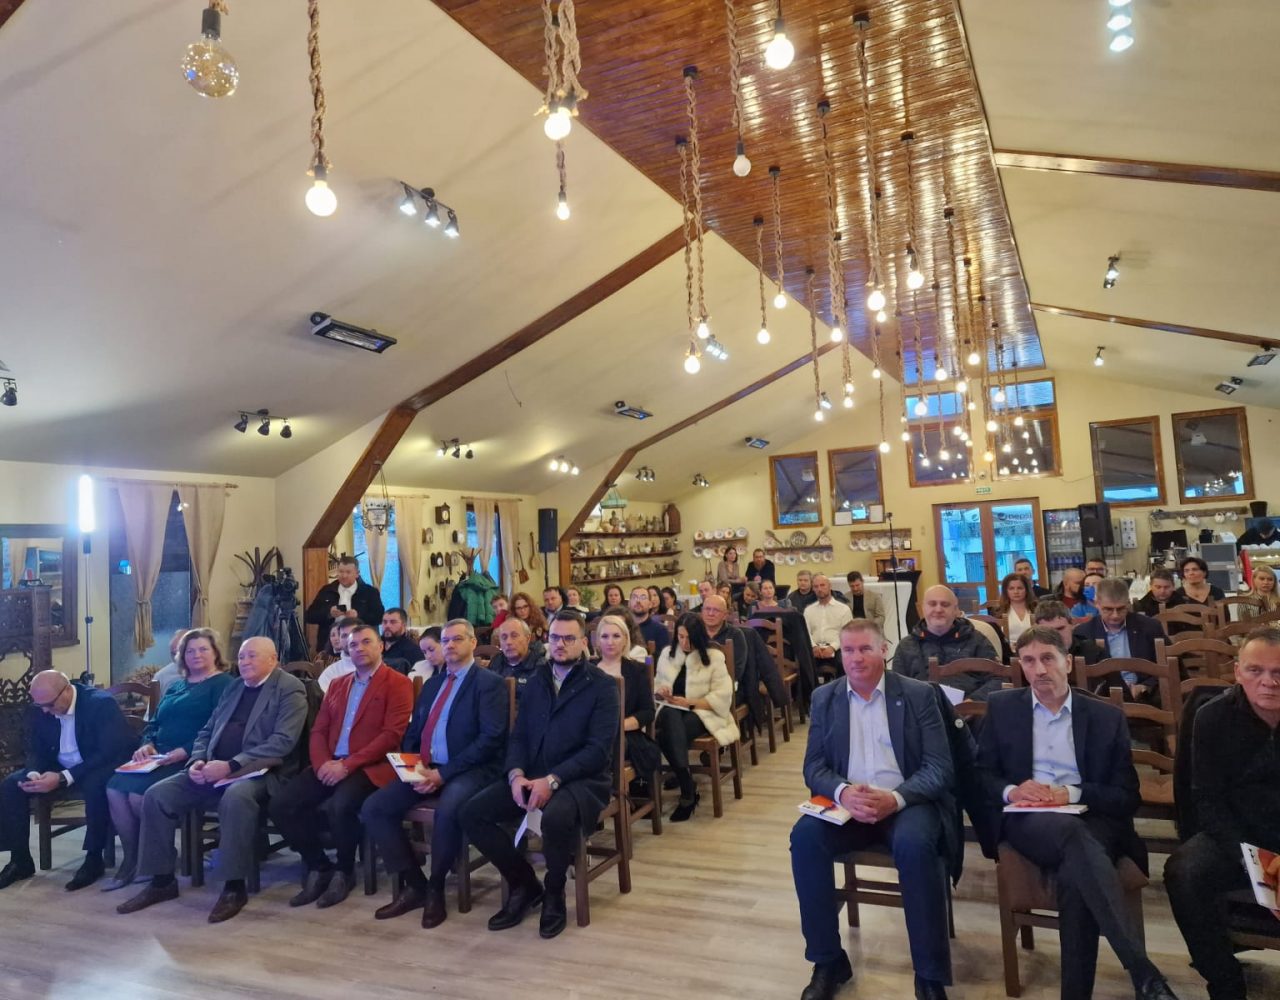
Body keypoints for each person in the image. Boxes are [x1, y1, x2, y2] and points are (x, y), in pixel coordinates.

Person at [976, 628, 1178, 1000]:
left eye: (1047, 658)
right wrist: (1013, 790)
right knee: (1071, 835)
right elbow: (982, 775)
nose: (1039, 669)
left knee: (1075, 873)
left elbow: (1126, 796)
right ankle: (1144, 973)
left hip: (1094, 818)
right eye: (1029, 661)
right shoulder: (1003, 708)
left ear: (1067, 662)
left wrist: (1071, 793)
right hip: (1030, 818)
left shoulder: (1105, 717)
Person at [791, 619, 958, 1000]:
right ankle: (828, 961)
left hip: (906, 801)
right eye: (848, 650)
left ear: (884, 650)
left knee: (916, 846)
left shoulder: (918, 695)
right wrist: (843, 792)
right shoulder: (825, 697)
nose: (856, 658)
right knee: (804, 839)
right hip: (848, 804)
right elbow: (813, 767)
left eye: (865, 648)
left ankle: (929, 975)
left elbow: (939, 767)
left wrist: (895, 798)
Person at [117, 637, 307, 923]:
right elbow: (207, 731)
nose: (244, 662)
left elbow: (282, 742)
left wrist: (231, 765)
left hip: (261, 772)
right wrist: (197, 760)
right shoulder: (235, 687)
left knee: (236, 797)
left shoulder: (289, 687)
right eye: (241, 657)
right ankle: (161, 880)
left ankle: (234, 886)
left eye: (252, 656)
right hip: (212, 767)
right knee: (157, 795)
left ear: (273, 659)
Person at [459, 611, 618, 940]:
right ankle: (525, 885)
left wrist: (553, 780)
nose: (560, 644)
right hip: (532, 774)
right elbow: (519, 736)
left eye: (569, 638)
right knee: (472, 813)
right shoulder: (538, 680)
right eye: (555, 637)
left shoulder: (601, 685)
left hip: (581, 779)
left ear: (583, 643)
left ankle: (554, 893)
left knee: (556, 818)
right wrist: (516, 774)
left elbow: (598, 750)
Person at [361, 618, 508, 928]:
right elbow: (414, 732)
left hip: (471, 769)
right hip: (427, 767)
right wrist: (415, 767)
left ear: (472, 643)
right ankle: (416, 884)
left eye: (457, 639)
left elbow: (490, 739)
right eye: (445, 640)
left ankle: (436, 888)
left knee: (448, 810)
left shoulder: (489, 683)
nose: (450, 645)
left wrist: (443, 775)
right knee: (374, 807)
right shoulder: (432, 685)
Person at [1166, 629, 1280, 1000]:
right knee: (1184, 871)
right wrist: (1255, 863)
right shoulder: (1212, 717)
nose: (1269, 682)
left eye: (1279, 672)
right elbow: (1208, 801)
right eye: (1256, 670)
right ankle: (1224, 981)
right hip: (1239, 834)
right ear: (1237, 672)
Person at [269, 624, 413, 909]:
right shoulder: (338, 684)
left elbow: (391, 735)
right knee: (282, 804)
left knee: (340, 805)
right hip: (331, 761)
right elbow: (319, 729)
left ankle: (344, 871)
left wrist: (347, 765)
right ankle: (318, 865)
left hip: (371, 765)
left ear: (381, 646)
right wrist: (323, 763)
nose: (359, 648)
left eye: (366, 642)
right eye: (353, 644)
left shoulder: (398, 683)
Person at [103, 628, 234, 891]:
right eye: (190, 651)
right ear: (181, 656)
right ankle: (132, 858)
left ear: (215, 653)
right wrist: (147, 743)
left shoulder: (224, 685)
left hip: (192, 759)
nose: (196, 655)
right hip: (159, 755)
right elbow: (154, 722)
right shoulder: (176, 685)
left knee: (139, 796)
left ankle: (155, 858)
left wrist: (185, 751)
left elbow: (220, 729)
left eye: (203, 649)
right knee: (114, 788)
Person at [0, 670, 136, 892]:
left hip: (95, 765)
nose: (45, 711)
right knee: (11, 785)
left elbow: (109, 752)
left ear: (66, 692)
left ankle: (94, 858)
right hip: (59, 764)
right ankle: (20, 860)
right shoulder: (42, 707)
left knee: (95, 785)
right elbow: (34, 748)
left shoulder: (100, 704)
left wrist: (64, 778)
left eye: (49, 705)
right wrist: (34, 773)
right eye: (39, 705)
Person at [654, 613, 737, 822]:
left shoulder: (713, 656)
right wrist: (661, 692)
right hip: (670, 708)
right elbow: (656, 685)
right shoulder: (667, 654)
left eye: (689, 638)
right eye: (680, 637)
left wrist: (690, 703)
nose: (684, 643)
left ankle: (686, 786)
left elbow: (723, 696)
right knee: (669, 716)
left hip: (702, 711)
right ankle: (687, 786)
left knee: (666, 733)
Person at [894, 586, 1000, 699]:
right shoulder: (906, 646)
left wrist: (972, 702)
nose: (938, 610)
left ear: (955, 609)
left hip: (972, 707)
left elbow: (998, 679)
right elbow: (896, 687)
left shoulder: (977, 640)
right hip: (922, 708)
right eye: (932, 604)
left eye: (945, 605)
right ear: (922, 608)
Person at [592, 615, 661, 783]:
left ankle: (602, 790)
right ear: (598, 641)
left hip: (625, 735)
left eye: (616, 636)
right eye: (605, 636)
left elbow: (647, 712)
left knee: (606, 744)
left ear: (625, 640)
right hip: (590, 733)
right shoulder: (587, 670)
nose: (610, 642)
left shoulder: (637, 670)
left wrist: (618, 726)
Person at [1073, 578, 1166, 700]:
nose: (1115, 615)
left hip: (1145, 695)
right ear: (1097, 604)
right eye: (1108, 609)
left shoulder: (1149, 627)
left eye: (1121, 608)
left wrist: (1145, 686)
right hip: (1101, 698)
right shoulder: (1084, 633)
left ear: (1128, 603)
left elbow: (1168, 667)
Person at [304, 556, 385, 653]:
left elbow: (379, 617)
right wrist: (329, 613)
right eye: (341, 572)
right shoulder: (327, 590)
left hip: (360, 644)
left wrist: (358, 616)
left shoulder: (369, 592)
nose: (344, 576)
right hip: (330, 645)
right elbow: (309, 616)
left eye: (348, 572)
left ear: (357, 573)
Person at [489, 617, 547, 703]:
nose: (508, 642)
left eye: (514, 636)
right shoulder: (496, 662)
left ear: (527, 638)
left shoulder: (540, 666)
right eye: (504, 637)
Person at [805, 574, 854, 674]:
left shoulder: (843, 609)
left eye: (822, 585)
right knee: (804, 664)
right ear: (813, 589)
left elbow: (847, 634)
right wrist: (813, 646)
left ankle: (842, 684)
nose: (819, 589)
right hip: (815, 649)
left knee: (843, 662)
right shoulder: (808, 610)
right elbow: (806, 632)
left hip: (837, 648)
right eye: (816, 586)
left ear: (830, 586)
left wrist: (832, 647)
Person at [1034, 600, 1104, 666]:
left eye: (1060, 628)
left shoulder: (1093, 652)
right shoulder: (1031, 655)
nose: (1055, 635)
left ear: (1072, 624)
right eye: (1048, 631)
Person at [317, 615, 362, 692]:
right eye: (344, 636)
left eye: (353, 634)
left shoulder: (377, 669)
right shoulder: (330, 673)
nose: (349, 639)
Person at [998, 573, 1036, 645]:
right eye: (1011, 588)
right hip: (1008, 649)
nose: (1016, 592)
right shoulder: (998, 612)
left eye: (1020, 588)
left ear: (1027, 590)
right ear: (1006, 591)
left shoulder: (1036, 609)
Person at [628, 586, 669, 652]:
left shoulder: (660, 630)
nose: (638, 601)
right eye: (634, 597)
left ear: (650, 604)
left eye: (643, 598)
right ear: (629, 604)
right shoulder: (623, 628)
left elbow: (663, 656)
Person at [151, 630, 190, 697]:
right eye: (173, 654)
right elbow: (155, 703)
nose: (177, 658)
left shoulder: (208, 674)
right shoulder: (161, 677)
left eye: (180, 652)